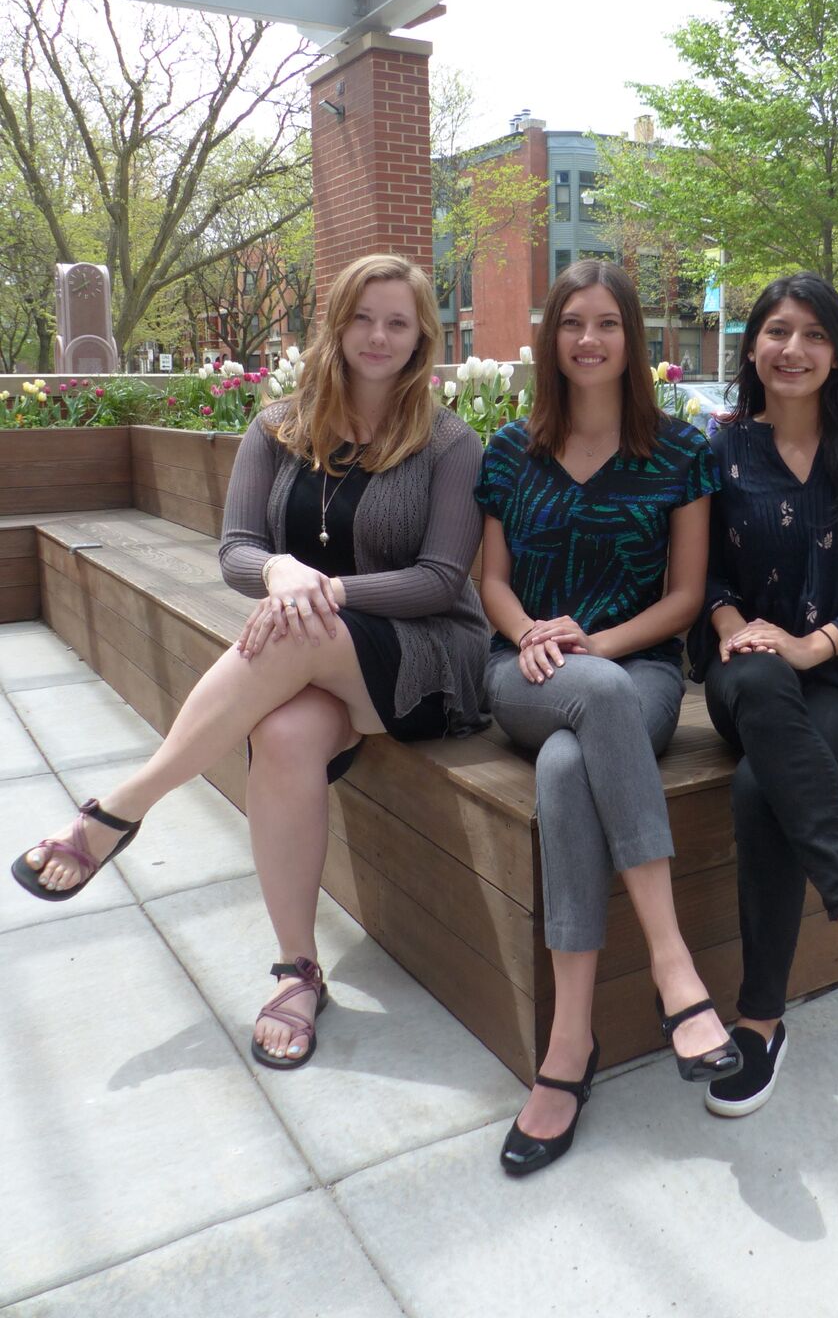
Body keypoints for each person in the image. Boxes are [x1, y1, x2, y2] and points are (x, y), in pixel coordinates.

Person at [12, 254, 488, 1071]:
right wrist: (279, 571)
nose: (378, 336)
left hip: (429, 657)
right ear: (336, 324)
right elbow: (237, 550)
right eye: (363, 317)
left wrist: (322, 588)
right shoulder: (276, 426)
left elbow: (442, 580)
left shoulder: (448, 442)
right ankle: (296, 971)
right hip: (310, 655)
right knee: (286, 736)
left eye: (398, 323)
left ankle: (122, 806)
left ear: (421, 338)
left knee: (295, 628)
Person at [476, 259, 741, 1176]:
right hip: (524, 674)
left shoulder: (682, 452)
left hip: (638, 671)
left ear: (634, 338)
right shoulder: (511, 448)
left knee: (565, 767)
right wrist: (533, 640)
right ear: (552, 340)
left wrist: (600, 642)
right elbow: (493, 580)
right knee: (589, 701)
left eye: (608, 323)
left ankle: (569, 1047)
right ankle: (675, 965)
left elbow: (687, 597)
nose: (589, 339)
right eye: (572, 323)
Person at [690, 272, 838, 1120]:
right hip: (745, 671)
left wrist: (814, 644)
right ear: (752, 346)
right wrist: (732, 627)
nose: (793, 349)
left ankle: (758, 1021)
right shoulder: (717, 450)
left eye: (813, 335)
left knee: (764, 787)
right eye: (777, 331)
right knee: (759, 674)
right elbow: (706, 575)